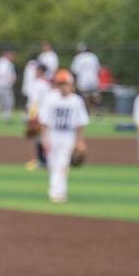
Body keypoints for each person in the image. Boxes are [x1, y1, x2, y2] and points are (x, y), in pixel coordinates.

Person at [40, 68, 89, 204]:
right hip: (53, 135)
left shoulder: (76, 101)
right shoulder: (50, 98)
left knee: (62, 165)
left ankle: (57, 193)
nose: (62, 87)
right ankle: (57, 191)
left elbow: (80, 123)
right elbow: (44, 121)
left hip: (68, 136)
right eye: (60, 84)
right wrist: (44, 139)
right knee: (53, 165)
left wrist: (80, 141)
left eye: (65, 84)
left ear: (71, 85)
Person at [23, 62, 51, 171]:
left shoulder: (38, 84)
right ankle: (45, 160)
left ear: (40, 72)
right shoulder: (47, 84)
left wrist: (32, 117)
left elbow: (34, 102)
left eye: (36, 70)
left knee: (39, 139)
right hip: (46, 114)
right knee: (44, 138)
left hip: (38, 114)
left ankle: (42, 161)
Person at [69, 43, 101, 112]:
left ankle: (88, 111)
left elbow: (74, 71)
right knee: (95, 95)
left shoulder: (78, 58)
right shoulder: (93, 57)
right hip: (93, 80)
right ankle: (97, 110)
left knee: (85, 97)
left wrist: (74, 83)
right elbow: (98, 70)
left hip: (83, 81)